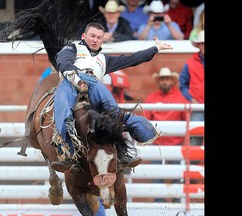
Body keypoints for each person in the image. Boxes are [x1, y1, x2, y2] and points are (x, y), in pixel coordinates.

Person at [50, 22, 173, 173]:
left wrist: (156, 48)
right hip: (71, 82)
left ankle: (124, 151)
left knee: (114, 115)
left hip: (93, 84)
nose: (95, 40)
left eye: (99, 37)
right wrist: (76, 79)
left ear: (103, 40)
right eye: (92, 36)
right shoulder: (73, 47)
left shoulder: (104, 60)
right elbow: (63, 61)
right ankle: (65, 150)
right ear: (84, 36)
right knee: (64, 107)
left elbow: (132, 59)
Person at [143, 67, 190, 202]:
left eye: (167, 79)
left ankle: (176, 203)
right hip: (157, 144)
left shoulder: (180, 98)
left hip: (176, 145)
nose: (164, 82)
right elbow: (146, 120)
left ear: (172, 81)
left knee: (177, 176)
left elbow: (186, 119)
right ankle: (159, 204)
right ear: (159, 81)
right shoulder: (152, 98)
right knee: (157, 175)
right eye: (162, 79)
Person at [179, 30, 204, 147]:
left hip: (197, 107)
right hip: (197, 106)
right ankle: (193, 164)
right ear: (199, 45)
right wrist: (191, 99)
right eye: (203, 43)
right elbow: (182, 85)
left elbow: (182, 85)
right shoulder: (189, 63)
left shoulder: (189, 63)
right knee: (194, 140)